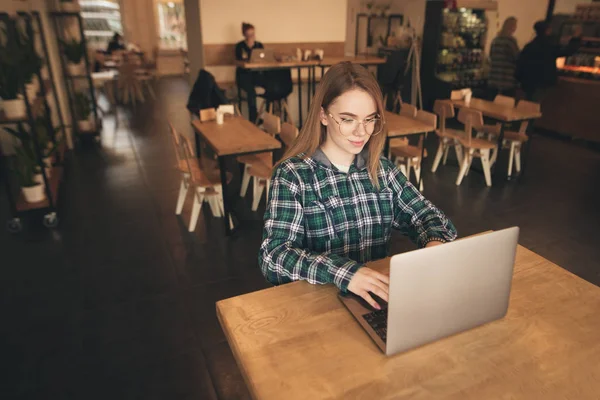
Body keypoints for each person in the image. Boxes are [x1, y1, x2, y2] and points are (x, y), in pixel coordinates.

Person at [258, 62, 457, 309]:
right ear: (323, 116)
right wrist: (345, 273)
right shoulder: (293, 176)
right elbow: (274, 256)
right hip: (319, 309)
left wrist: (434, 245)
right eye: (348, 119)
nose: (361, 132)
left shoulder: (381, 170)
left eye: (370, 119)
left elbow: (429, 216)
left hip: (376, 303)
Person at [516, 20, 582, 102]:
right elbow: (568, 51)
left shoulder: (529, 46)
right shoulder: (549, 46)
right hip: (542, 82)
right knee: (535, 105)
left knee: (528, 103)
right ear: (547, 30)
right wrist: (575, 38)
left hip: (528, 81)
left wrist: (520, 79)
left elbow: (521, 62)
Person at [235, 22, 264, 122]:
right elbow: (239, 61)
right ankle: (254, 118)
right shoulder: (240, 46)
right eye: (249, 35)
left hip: (256, 75)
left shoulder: (259, 45)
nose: (252, 36)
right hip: (244, 77)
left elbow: (263, 58)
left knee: (271, 85)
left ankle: (271, 118)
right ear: (245, 35)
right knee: (251, 91)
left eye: (253, 34)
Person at [488, 17, 519, 98]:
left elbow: (491, 56)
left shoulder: (495, 40)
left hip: (493, 77)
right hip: (506, 79)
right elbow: (516, 57)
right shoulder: (510, 41)